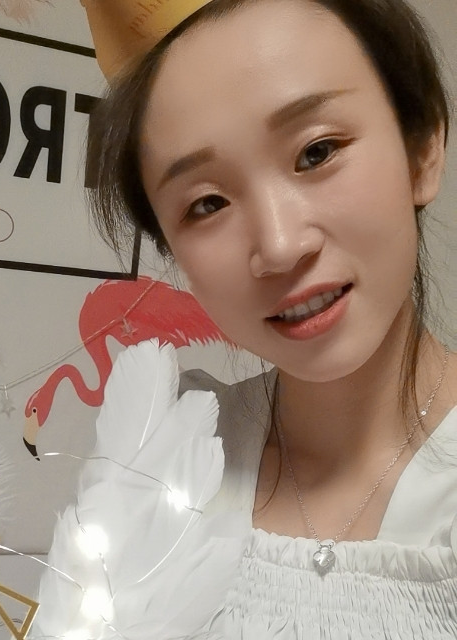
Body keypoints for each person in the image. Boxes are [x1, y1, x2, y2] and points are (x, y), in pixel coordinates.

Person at [80, 0, 457, 636]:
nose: (280, 247)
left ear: (421, 150)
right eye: (207, 204)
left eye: (317, 152)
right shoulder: (169, 459)